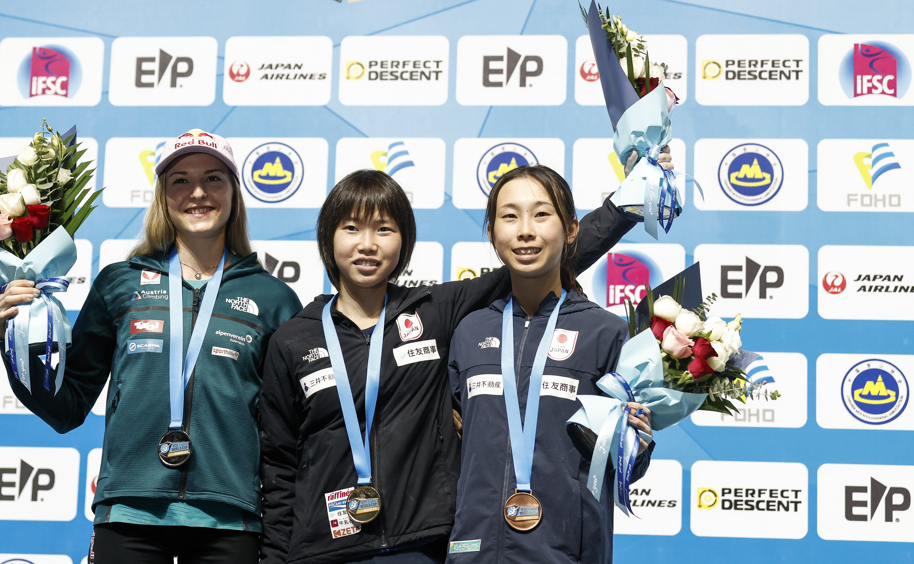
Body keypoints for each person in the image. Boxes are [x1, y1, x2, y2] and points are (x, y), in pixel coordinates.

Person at [258, 167, 648, 564]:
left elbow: (538, 258)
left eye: (384, 230)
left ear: (405, 240)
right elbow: (279, 467)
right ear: (328, 237)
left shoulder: (436, 314)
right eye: (352, 228)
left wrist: (626, 206)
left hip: (421, 548)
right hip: (323, 549)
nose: (367, 245)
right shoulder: (293, 339)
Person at [0, 130, 302, 563]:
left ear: (234, 192)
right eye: (180, 180)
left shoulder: (274, 298)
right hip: (130, 513)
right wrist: (15, 338)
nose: (198, 192)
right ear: (162, 195)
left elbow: (286, 432)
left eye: (214, 178)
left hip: (230, 517)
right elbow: (66, 407)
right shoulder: (119, 283)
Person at [446, 165, 653, 564]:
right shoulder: (468, 332)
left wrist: (636, 444)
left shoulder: (605, 333)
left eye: (541, 214)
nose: (525, 230)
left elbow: (625, 463)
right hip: (474, 551)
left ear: (571, 229)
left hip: (565, 553)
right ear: (492, 233)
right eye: (510, 216)